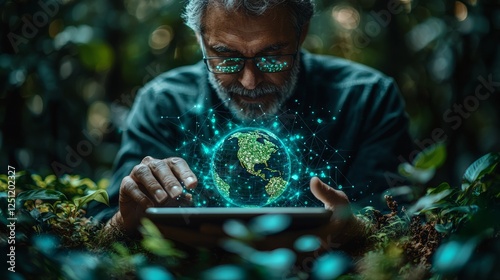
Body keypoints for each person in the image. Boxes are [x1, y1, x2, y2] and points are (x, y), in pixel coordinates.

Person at [94, 0, 413, 249]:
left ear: (301, 34)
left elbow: (404, 228)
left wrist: (355, 230)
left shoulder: (367, 99)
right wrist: (124, 221)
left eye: (272, 56)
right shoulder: (162, 104)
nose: (250, 81)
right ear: (200, 39)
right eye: (226, 57)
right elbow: (99, 233)